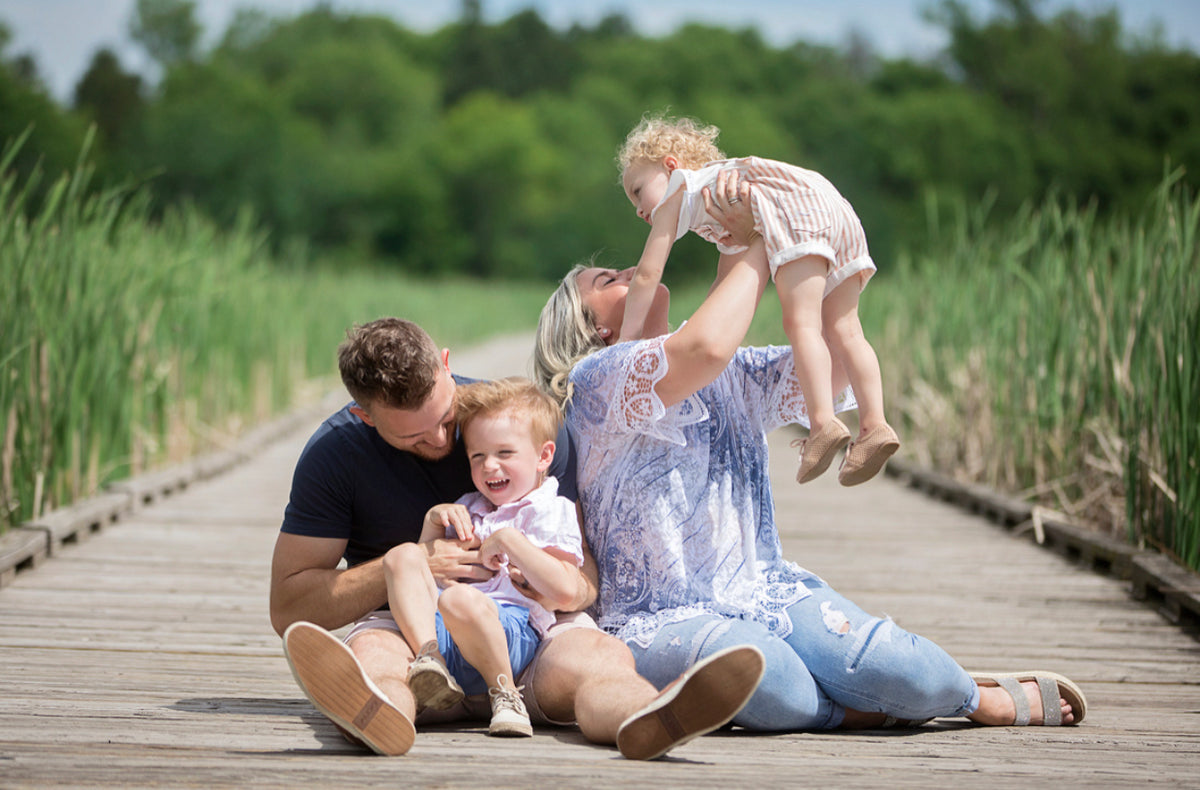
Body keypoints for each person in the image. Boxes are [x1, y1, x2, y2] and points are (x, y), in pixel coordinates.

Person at [531, 169, 1087, 733]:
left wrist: (813, 243)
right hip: (660, 616)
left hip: (765, 588)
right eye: (609, 280)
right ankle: (862, 707)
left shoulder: (732, 375)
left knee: (905, 670)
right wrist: (756, 240)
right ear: (592, 327)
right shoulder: (597, 382)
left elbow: (831, 361)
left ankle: (959, 693)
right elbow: (705, 346)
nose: (630, 271)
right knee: (775, 682)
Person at [270, 317, 765, 759]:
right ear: (365, 417)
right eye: (413, 439)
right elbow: (289, 608)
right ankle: (381, 715)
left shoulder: (513, 426)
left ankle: (646, 714)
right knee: (376, 659)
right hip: (418, 646)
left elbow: (583, 580)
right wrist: (415, 562)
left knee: (599, 661)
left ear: (447, 365)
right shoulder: (334, 456)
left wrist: (544, 576)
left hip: (529, 639)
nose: (443, 443)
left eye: (446, 420)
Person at [617, 113, 898, 486]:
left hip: (799, 213)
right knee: (845, 327)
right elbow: (725, 285)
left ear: (671, 167)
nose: (638, 209)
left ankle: (821, 423)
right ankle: (875, 426)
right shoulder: (720, 192)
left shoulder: (679, 191)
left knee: (802, 323)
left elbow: (648, 274)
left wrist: (626, 340)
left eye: (638, 191)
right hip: (837, 209)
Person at [384, 378, 585, 738]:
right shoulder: (469, 506)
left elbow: (564, 592)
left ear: (543, 456)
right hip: (445, 633)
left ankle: (506, 695)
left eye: (505, 453)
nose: (490, 466)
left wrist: (510, 542)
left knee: (461, 598)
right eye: (478, 457)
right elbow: (425, 576)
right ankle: (430, 663)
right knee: (401, 557)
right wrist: (433, 524)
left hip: (511, 630)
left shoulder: (550, 509)